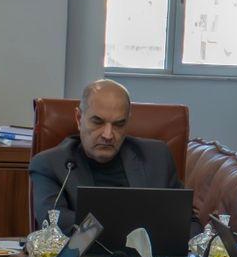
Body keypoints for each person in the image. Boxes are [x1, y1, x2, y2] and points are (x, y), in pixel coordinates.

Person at [28, 80, 186, 232]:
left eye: (119, 124)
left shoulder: (157, 157)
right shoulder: (50, 165)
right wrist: (132, 227)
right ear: (79, 119)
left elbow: (186, 221)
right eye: (97, 122)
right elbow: (54, 225)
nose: (108, 135)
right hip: (86, 251)